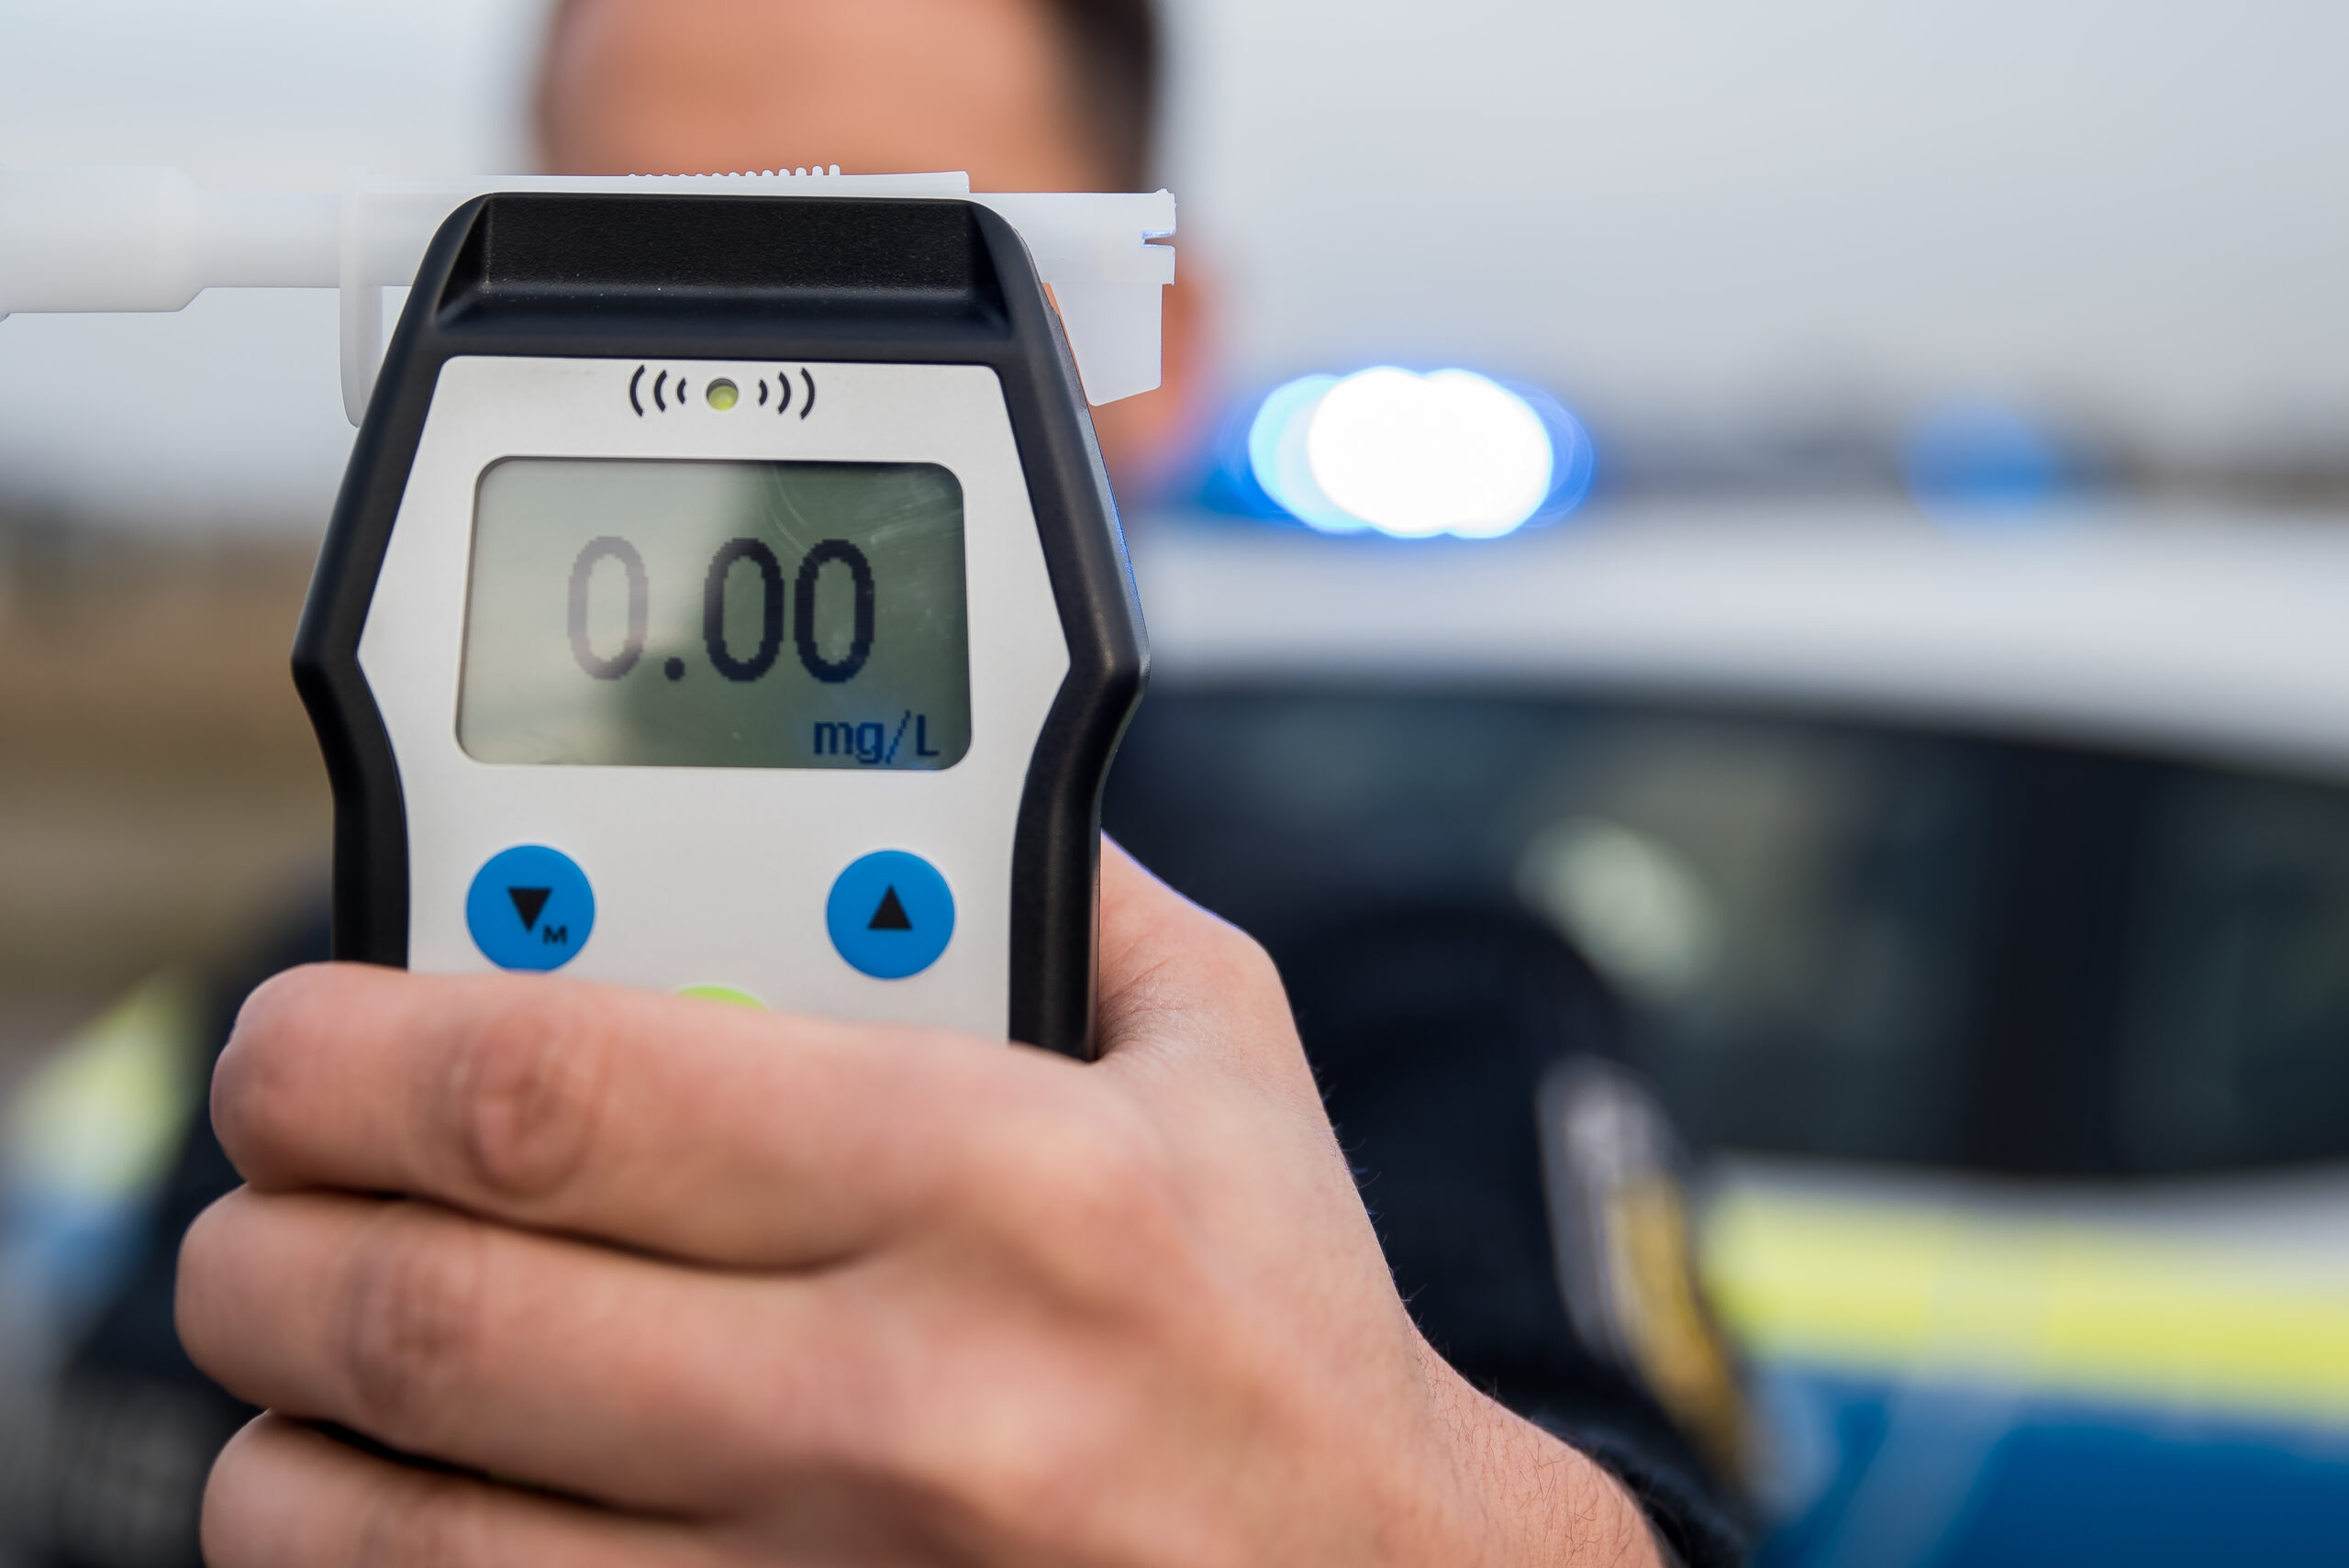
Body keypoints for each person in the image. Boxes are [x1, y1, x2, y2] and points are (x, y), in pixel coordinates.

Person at [38, 3, 1747, 1564]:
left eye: (875, 249)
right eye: (631, 247)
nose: (739, 363)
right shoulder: (320, 1001)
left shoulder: (1430, 1002)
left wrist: (1409, 1528)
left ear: (1158, 340)